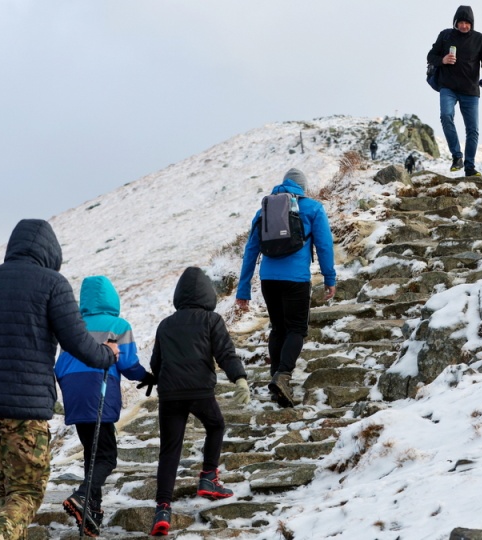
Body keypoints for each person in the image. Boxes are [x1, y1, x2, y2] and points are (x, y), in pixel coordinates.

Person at [0, 218, 119, 540]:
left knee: (4, 489)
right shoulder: (52, 283)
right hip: (26, 410)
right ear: (51, 252)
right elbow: (77, 343)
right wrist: (107, 354)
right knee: (26, 492)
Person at [142, 267, 250, 537]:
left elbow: (156, 362)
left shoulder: (166, 324)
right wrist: (239, 378)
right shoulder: (211, 320)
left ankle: (162, 509)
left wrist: (155, 379)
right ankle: (209, 478)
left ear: (179, 295)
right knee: (215, 425)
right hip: (200, 390)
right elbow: (225, 353)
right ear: (207, 293)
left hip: (170, 394)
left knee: (169, 450)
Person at [55, 275, 154, 537]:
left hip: (72, 392)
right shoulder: (117, 325)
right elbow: (128, 364)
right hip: (98, 387)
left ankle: (92, 511)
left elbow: (60, 364)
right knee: (108, 457)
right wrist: (146, 377)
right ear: (112, 297)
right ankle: (82, 496)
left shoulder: (74, 325)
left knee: (92, 451)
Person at [235, 168, 337, 408]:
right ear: (303, 187)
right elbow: (324, 245)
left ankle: (275, 382)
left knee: (278, 329)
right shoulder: (312, 208)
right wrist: (329, 278)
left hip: (268, 280)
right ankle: (283, 375)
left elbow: (250, 251)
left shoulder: (264, 210)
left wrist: (243, 290)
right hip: (296, 279)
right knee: (297, 330)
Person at [427, 5, 482, 177]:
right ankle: (457, 156)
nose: (464, 26)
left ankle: (469, 167)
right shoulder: (445, 36)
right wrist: (442, 59)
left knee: (472, 130)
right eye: (461, 22)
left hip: (470, 91)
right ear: (455, 22)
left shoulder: (480, 39)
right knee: (446, 116)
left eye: (467, 23)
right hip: (448, 87)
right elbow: (431, 56)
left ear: (472, 23)